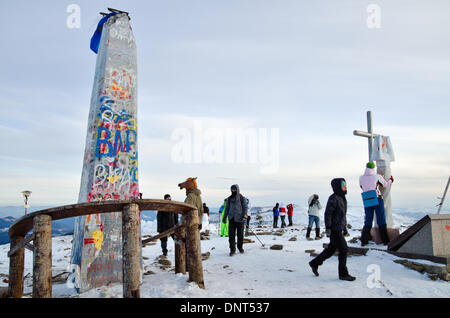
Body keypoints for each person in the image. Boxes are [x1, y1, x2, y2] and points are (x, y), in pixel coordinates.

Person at [309, 178, 356, 281]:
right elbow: (328, 214)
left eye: (345, 184)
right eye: (343, 184)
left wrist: (345, 228)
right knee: (343, 249)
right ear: (337, 187)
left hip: (339, 228)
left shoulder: (342, 198)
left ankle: (314, 263)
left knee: (331, 249)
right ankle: (343, 274)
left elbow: (342, 215)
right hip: (334, 229)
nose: (345, 186)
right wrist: (328, 228)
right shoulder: (333, 198)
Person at [359, 162, 394, 246]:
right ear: (373, 168)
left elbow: (361, 186)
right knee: (381, 219)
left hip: (367, 199)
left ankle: (364, 241)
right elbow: (385, 185)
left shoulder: (361, 177)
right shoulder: (377, 176)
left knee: (368, 220)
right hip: (377, 199)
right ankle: (385, 241)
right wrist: (391, 180)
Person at [223, 184, 248, 256]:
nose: (233, 191)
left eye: (234, 189)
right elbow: (227, 208)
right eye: (232, 189)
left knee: (240, 235)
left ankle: (240, 247)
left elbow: (245, 207)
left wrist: (244, 216)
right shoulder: (229, 199)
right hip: (231, 219)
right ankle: (232, 250)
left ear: (237, 189)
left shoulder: (242, 198)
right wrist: (225, 217)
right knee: (231, 236)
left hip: (240, 219)